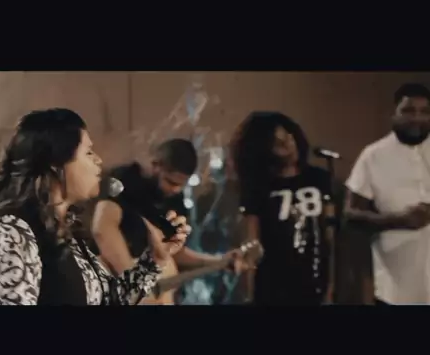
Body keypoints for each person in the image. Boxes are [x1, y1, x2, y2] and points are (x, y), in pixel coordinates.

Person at [0, 109, 190, 305]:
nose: (98, 160)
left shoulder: (64, 232)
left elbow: (109, 301)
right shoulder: (12, 231)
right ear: (56, 164)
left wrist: (155, 260)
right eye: (88, 152)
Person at [91, 138, 244, 305]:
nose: (175, 189)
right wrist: (135, 284)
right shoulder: (126, 180)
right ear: (156, 165)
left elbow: (174, 252)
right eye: (170, 182)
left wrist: (219, 261)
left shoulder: (176, 202)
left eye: (181, 185)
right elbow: (103, 229)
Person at [232, 111, 335, 306]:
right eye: (279, 144)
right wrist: (249, 292)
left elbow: (330, 237)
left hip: (314, 283)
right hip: (273, 286)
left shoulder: (319, 178)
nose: (289, 145)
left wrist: (331, 286)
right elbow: (253, 241)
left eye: (289, 136)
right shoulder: (259, 187)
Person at [345, 82, 430, 305]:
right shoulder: (373, 155)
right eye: (408, 111)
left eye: (424, 112)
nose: (417, 118)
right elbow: (351, 214)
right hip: (396, 289)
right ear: (394, 114)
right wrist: (397, 220)